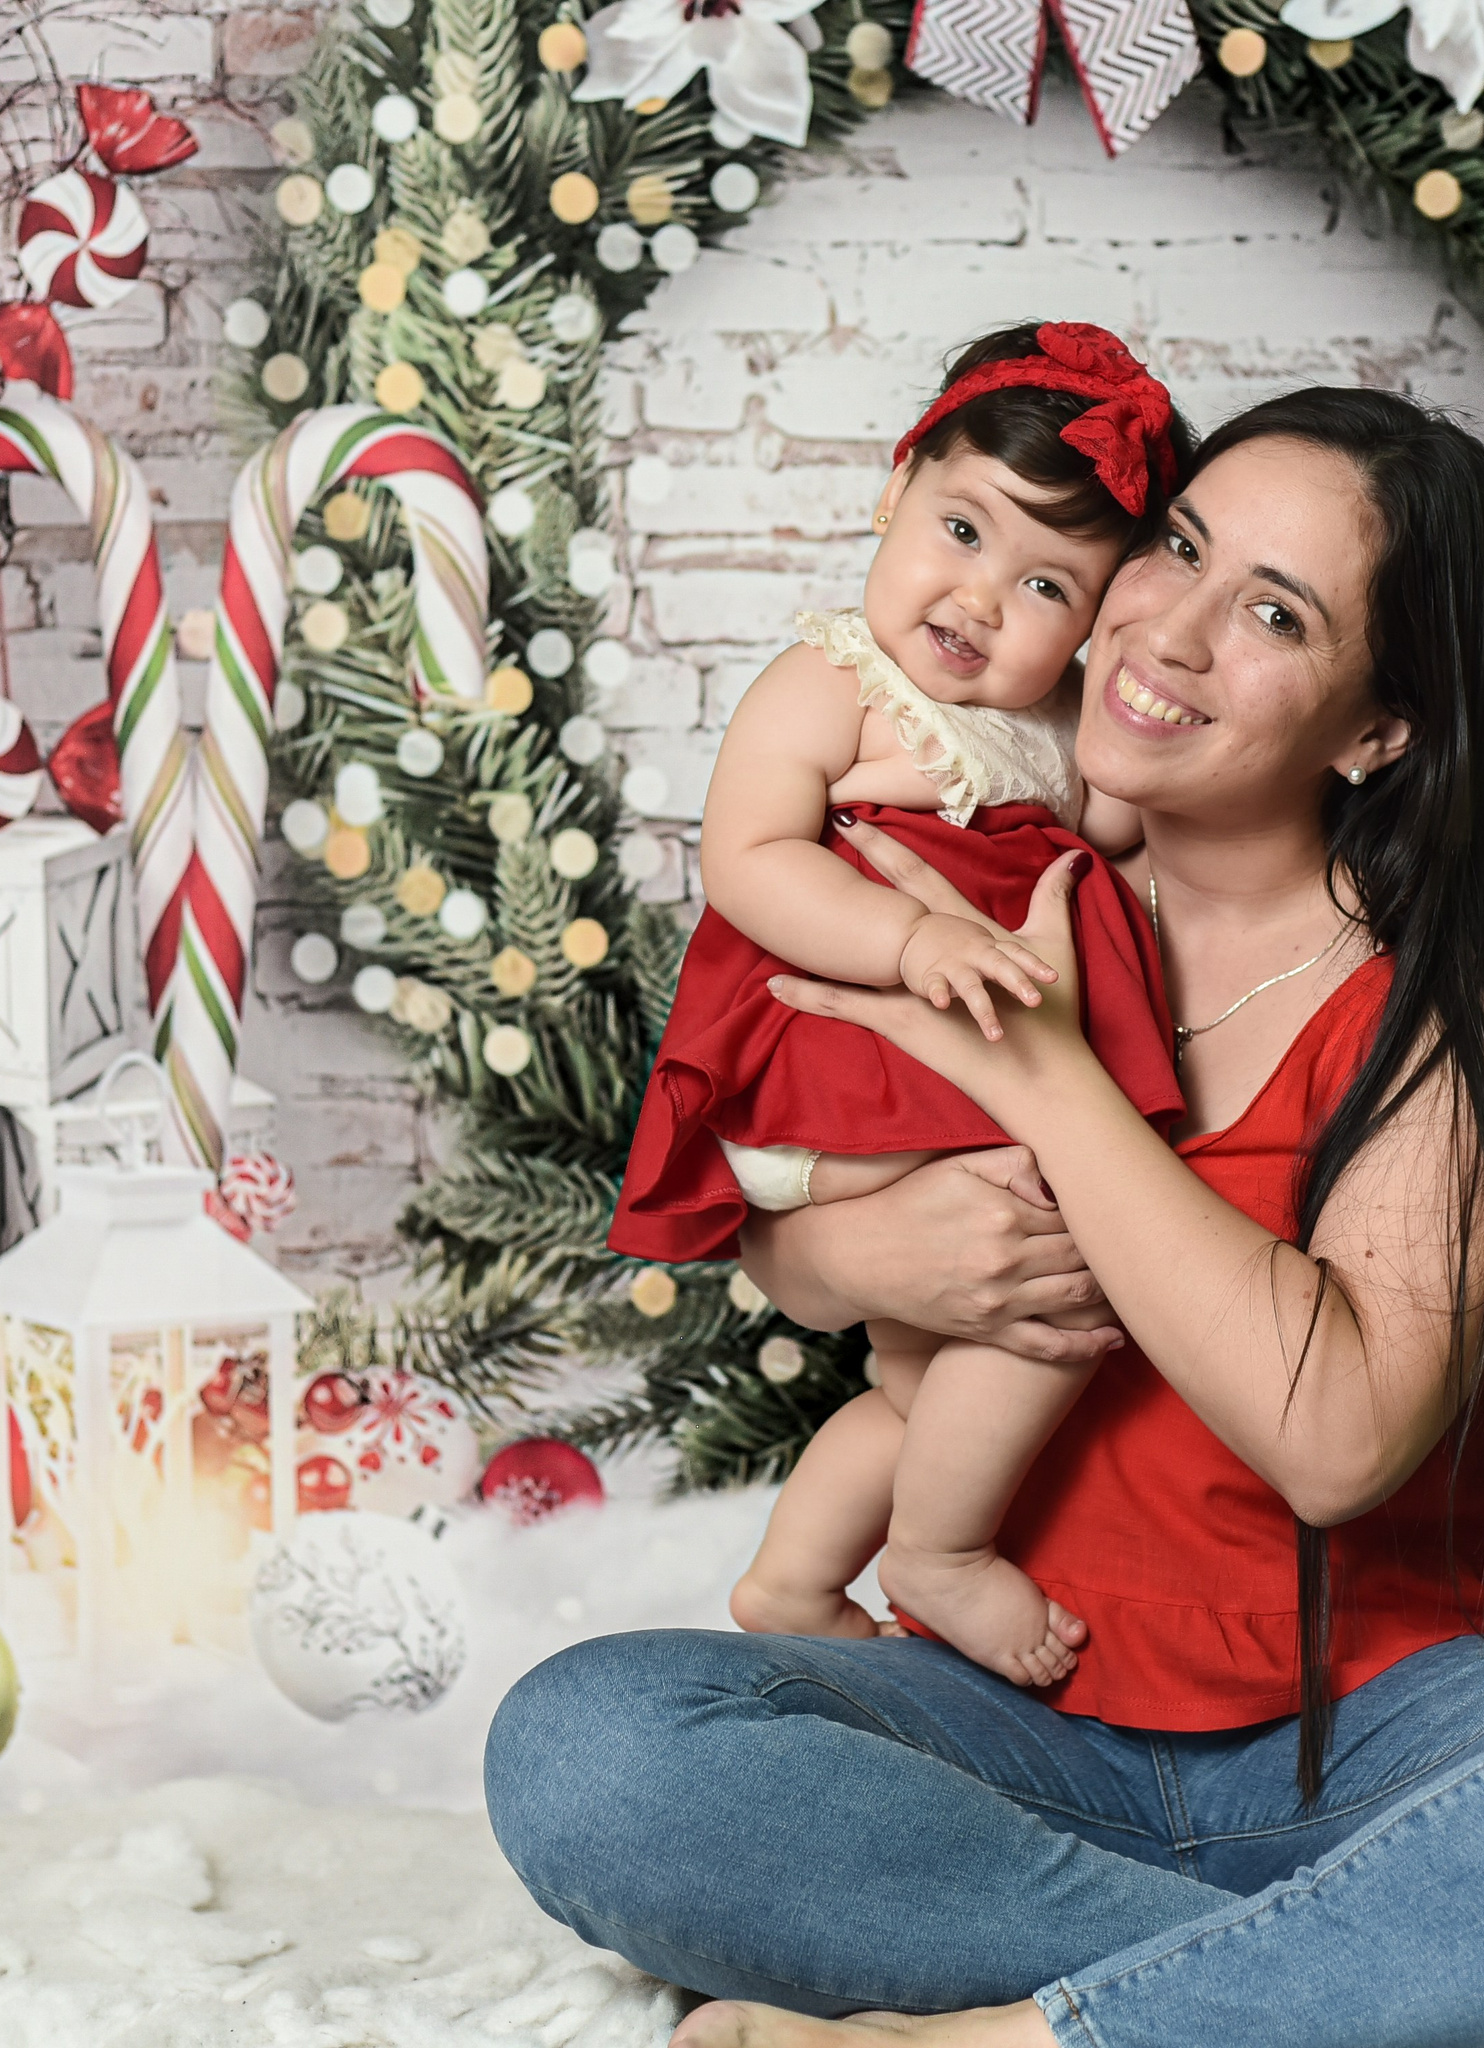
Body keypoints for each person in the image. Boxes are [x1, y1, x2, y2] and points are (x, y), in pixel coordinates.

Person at [489, 388, 1484, 2048]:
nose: (1173, 630)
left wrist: (1047, 1078)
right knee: (585, 1746)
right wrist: (841, 1255)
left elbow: (1336, 1438)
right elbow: (788, 1208)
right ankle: (1352, 1994)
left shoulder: (1457, 1007)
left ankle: (1023, 2036)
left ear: (1378, 729)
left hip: (1385, 1741)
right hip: (1020, 1720)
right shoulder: (986, 874)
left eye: (1278, 614)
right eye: (1177, 548)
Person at [608, 322, 1197, 1686]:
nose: (984, 598)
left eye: (1048, 584)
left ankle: (794, 1580)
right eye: (962, 528)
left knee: (924, 1383)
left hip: (965, 1074)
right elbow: (747, 858)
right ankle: (939, 1556)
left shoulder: (1051, 723)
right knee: (1063, 1284)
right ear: (892, 489)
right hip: (853, 1060)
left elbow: (1121, 825)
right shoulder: (832, 679)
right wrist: (910, 934)